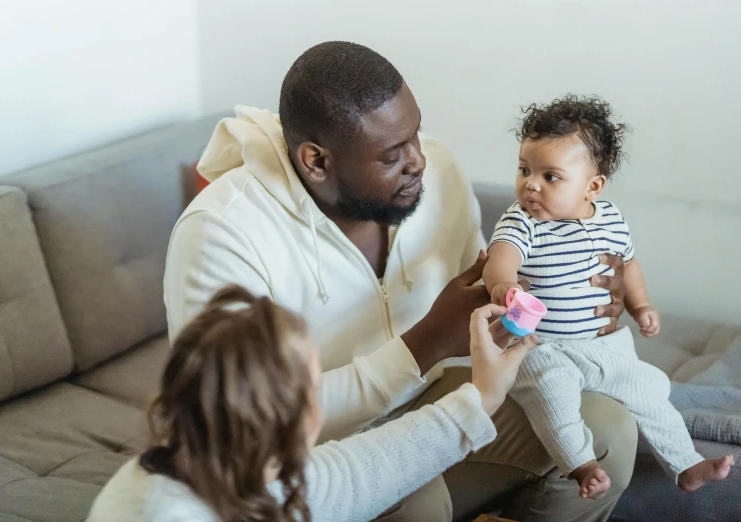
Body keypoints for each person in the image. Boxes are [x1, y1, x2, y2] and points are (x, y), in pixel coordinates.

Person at [164, 41, 637, 521]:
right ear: (317, 161)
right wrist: (422, 345)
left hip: (425, 399)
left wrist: (577, 292)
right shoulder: (221, 233)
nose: (420, 161)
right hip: (304, 452)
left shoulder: (438, 172)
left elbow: (492, 296)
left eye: (416, 134)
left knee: (607, 433)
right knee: (415, 500)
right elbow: (237, 426)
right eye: (392, 155)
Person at [86, 286, 537, 521]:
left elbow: (363, 470)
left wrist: (481, 395)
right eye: (313, 386)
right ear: (291, 418)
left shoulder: (240, 465)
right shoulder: (162, 513)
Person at [482, 94, 734, 499]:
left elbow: (628, 265)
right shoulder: (522, 220)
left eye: (550, 177)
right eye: (524, 169)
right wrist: (502, 286)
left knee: (648, 389)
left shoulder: (612, 219)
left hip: (604, 346)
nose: (530, 184)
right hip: (543, 346)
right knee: (550, 392)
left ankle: (686, 465)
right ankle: (582, 465)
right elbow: (501, 257)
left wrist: (641, 306)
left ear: (592, 187)